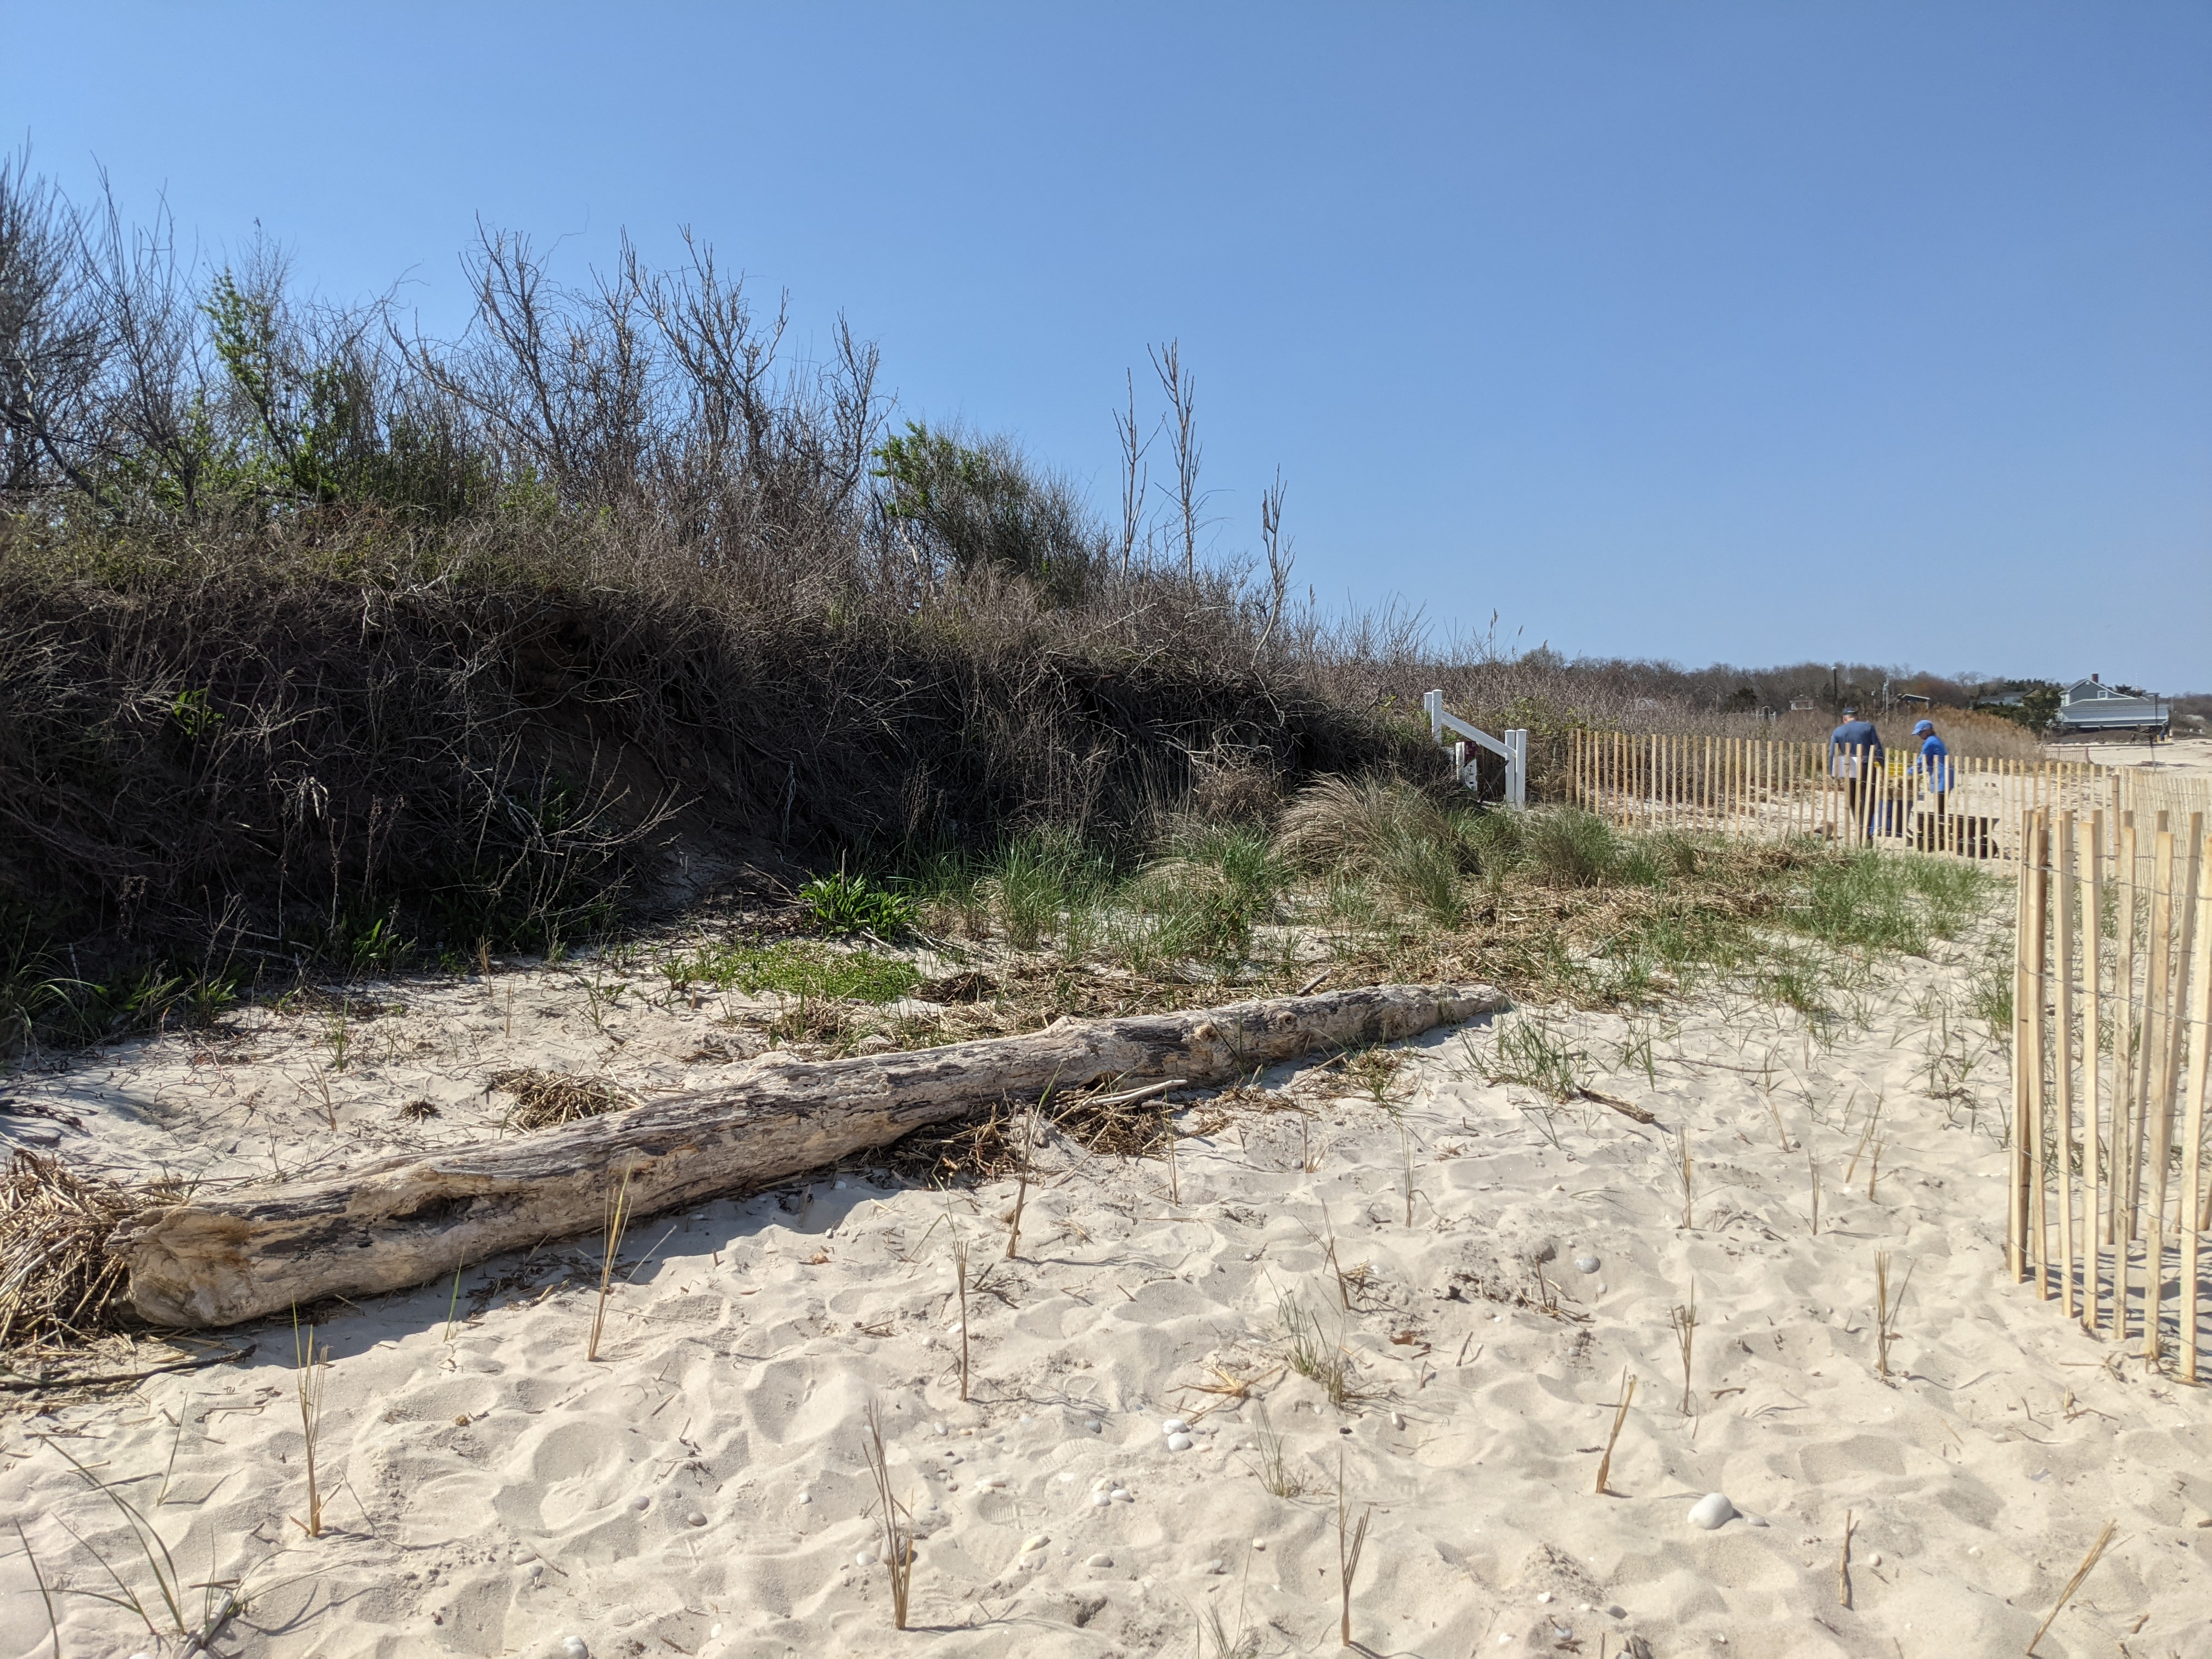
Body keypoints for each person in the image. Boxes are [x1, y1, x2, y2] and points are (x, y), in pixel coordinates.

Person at [1829, 707, 1886, 838]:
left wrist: (1832, 771)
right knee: (1869, 799)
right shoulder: (1868, 727)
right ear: (1856, 717)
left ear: (1844, 719)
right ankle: (1865, 831)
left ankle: (1859, 826)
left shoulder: (1838, 731)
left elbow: (1832, 753)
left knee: (1853, 799)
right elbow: (1878, 748)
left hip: (1847, 766)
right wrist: (1883, 766)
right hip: (1866, 765)